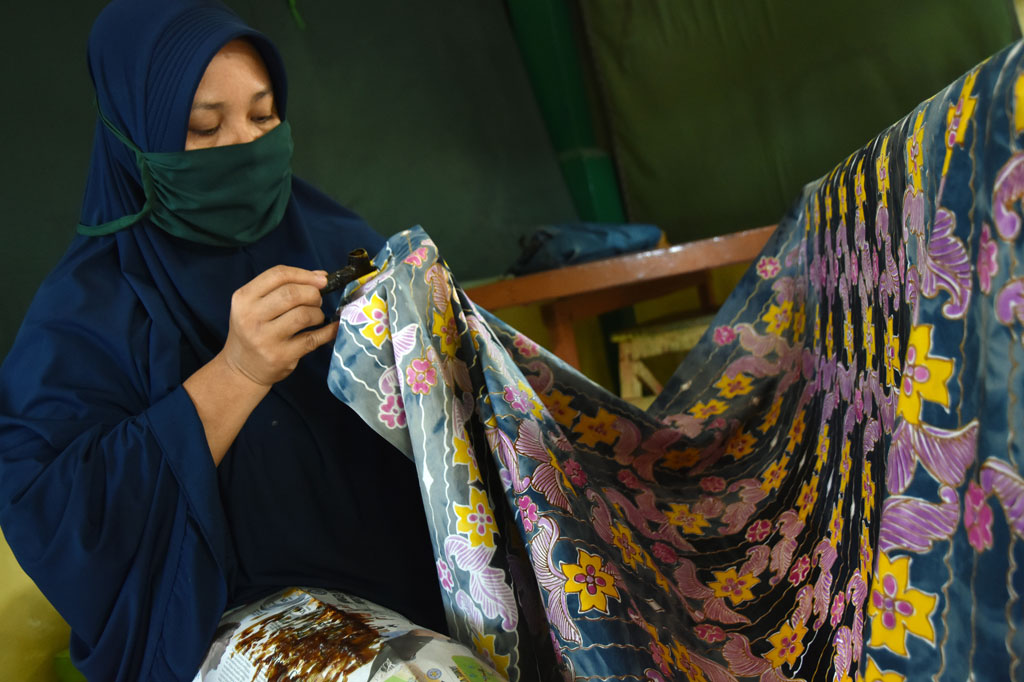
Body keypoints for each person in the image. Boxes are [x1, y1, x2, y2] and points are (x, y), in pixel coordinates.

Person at [0, 1, 446, 680]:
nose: (244, 146)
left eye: (263, 117)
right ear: (134, 137)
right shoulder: (85, 313)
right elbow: (59, 518)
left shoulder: (338, 242)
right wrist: (235, 375)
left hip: (422, 582)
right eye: (203, 128)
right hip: (215, 614)